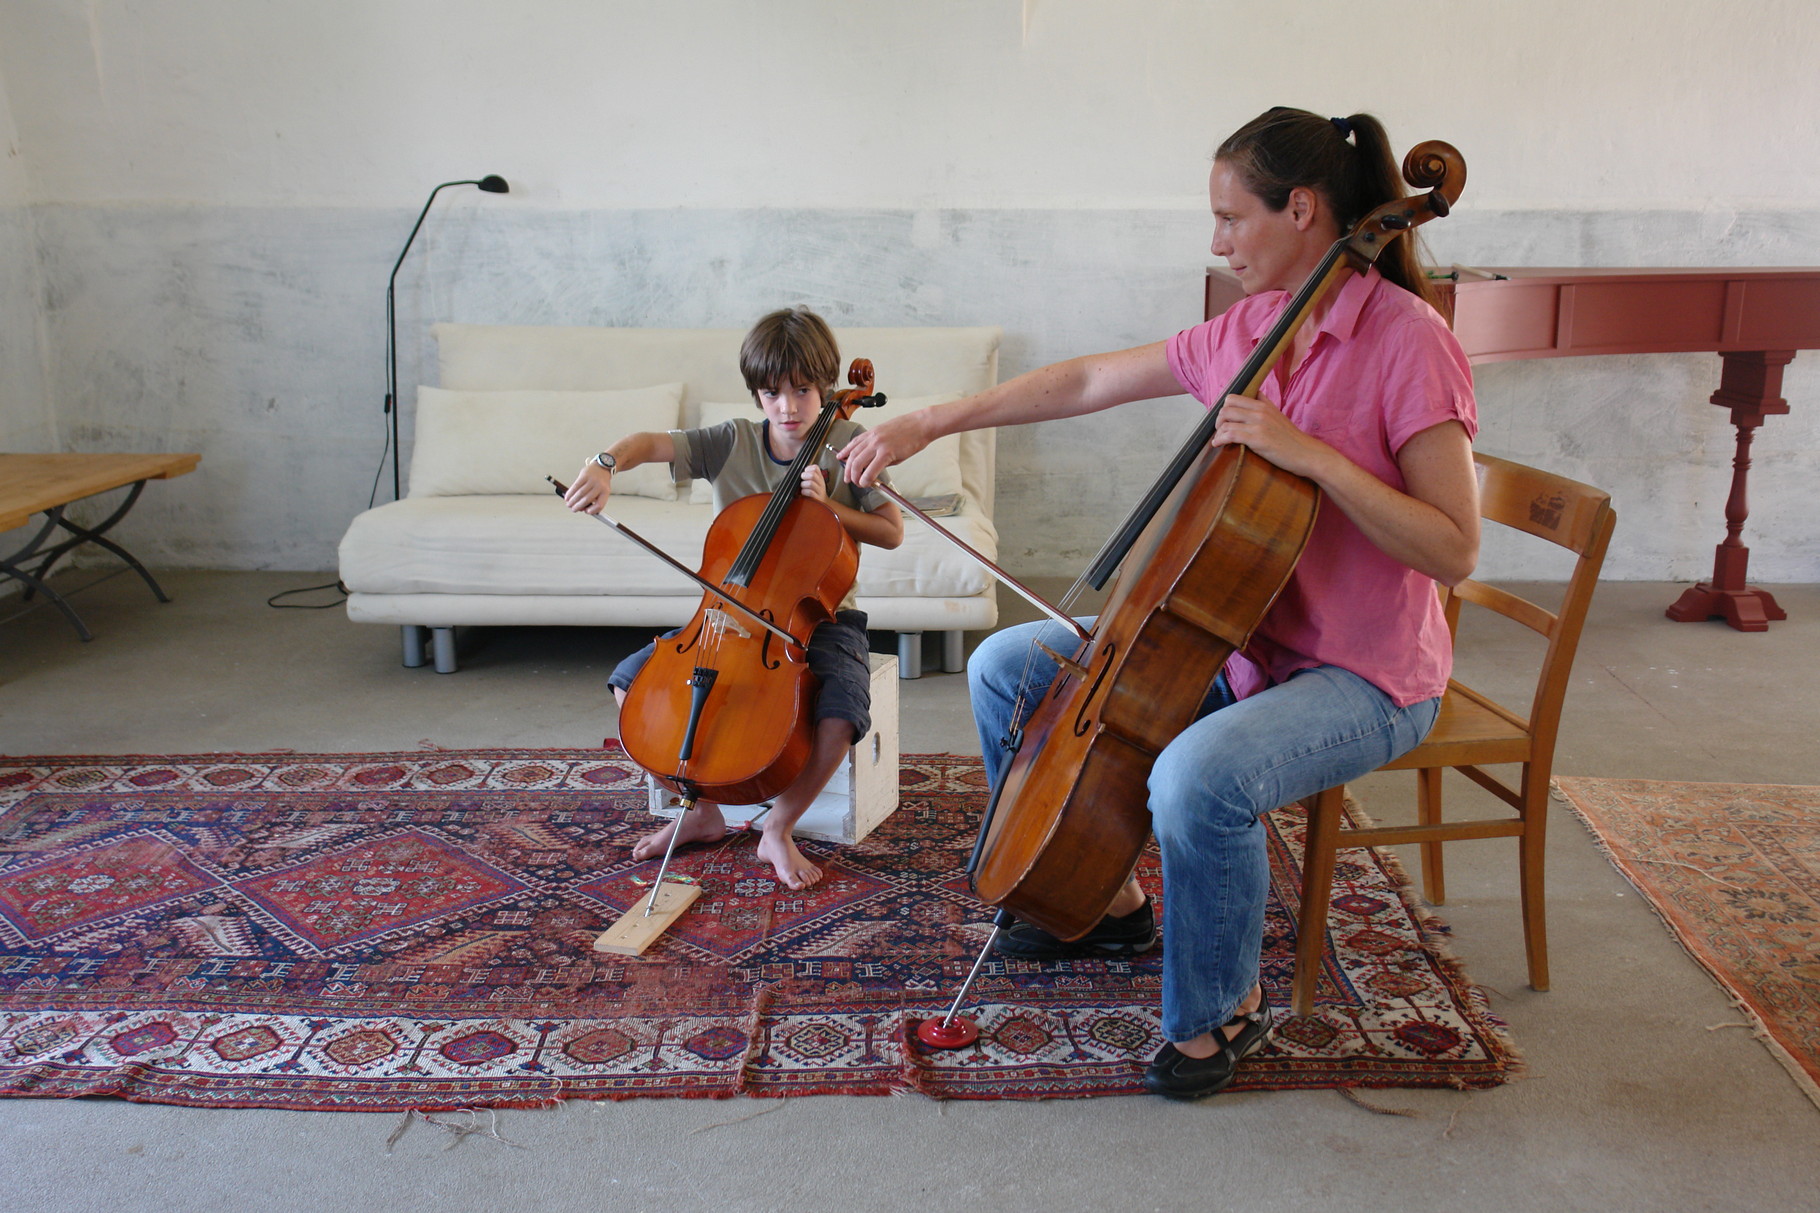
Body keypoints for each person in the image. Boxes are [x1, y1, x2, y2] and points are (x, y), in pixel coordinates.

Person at [838, 108, 1479, 1099]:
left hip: (1363, 676)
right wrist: (934, 418)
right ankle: (1101, 900)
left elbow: (1452, 546)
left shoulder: (1408, 343)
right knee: (1007, 667)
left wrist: (1306, 455)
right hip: (1237, 644)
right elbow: (1094, 377)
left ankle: (1222, 1009)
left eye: (1229, 218)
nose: (1215, 241)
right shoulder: (1256, 327)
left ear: (1300, 210)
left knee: (1194, 778)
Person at [565, 307, 904, 890]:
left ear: (826, 386)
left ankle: (779, 826)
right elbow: (649, 442)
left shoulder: (850, 444)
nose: (789, 408)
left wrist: (832, 509)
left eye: (802, 390)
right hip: (725, 615)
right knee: (629, 682)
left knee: (843, 712)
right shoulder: (731, 441)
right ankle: (700, 810)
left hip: (819, 618)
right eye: (772, 393)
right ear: (756, 394)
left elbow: (892, 530)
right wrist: (604, 464)